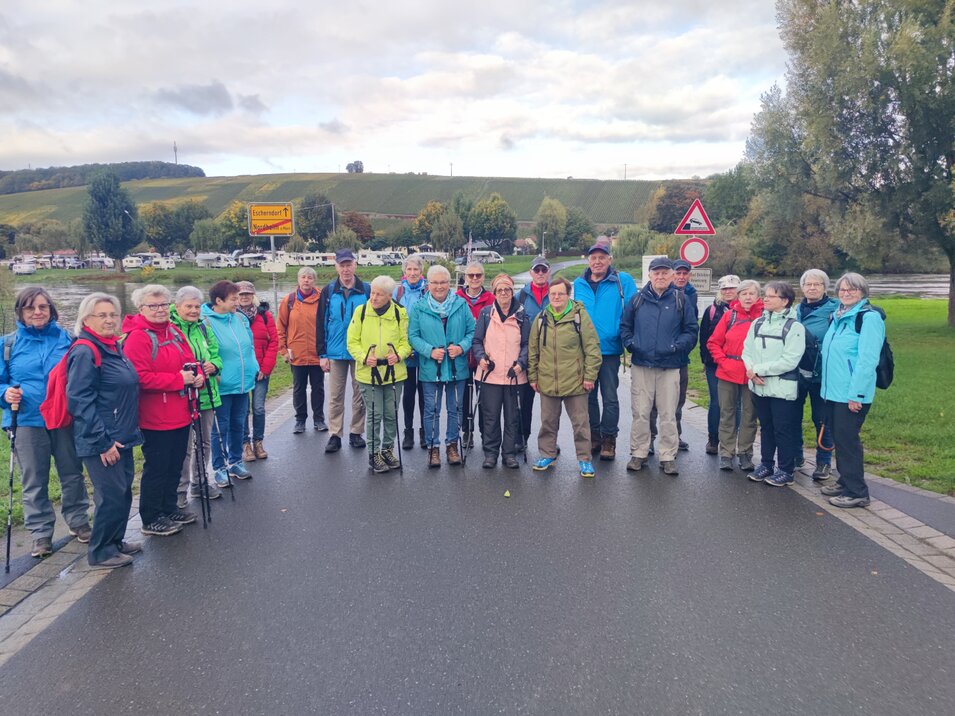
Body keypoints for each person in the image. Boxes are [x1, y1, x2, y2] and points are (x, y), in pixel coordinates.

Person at [0, 288, 91, 559]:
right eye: (30, 308)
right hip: (27, 420)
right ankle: (41, 534)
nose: (37, 312)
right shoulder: (7, 345)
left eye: (42, 307)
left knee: (72, 473)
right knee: (34, 479)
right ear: (20, 312)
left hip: (63, 418)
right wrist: (4, 393)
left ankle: (78, 522)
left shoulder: (68, 339)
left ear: (52, 310)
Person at [67, 293, 143, 569]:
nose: (110, 319)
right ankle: (100, 552)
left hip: (121, 435)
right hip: (101, 439)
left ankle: (115, 541)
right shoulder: (86, 350)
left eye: (113, 314)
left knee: (122, 492)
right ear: (86, 319)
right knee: (110, 495)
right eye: (102, 315)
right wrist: (102, 442)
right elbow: (79, 400)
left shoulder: (112, 346)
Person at [122, 285, 203, 536]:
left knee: (175, 463)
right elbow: (140, 378)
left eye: (163, 305)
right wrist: (180, 380)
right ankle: (151, 516)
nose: (159, 310)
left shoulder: (174, 331)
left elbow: (190, 361)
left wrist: (198, 375)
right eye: (153, 306)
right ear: (141, 309)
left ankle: (169, 507)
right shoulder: (138, 337)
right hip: (155, 416)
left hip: (180, 411)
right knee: (157, 467)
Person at [620, 257, 698, 476]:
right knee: (641, 412)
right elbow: (625, 327)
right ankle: (639, 453)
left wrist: (676, 347)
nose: (661, 277)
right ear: (650, 275)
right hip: (642, 364)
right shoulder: (636, 301)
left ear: (672, 276)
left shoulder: (681, 300)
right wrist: (631, 344)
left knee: (668, 413)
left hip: (670, 366)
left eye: (665, 273)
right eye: (657, 273)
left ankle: (667, 456)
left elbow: (691, 331)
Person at [819, 272, 885, 508]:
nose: (846, 293)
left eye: (852, 290)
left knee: (848, 442)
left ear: (862, 292)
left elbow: (867, 361)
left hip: (851, 395)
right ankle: (845, 480)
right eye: (843, 290)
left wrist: (856, 394)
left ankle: (857, 491)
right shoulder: (838, 316)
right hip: (833, 392)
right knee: (839, 438)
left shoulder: (868, 319)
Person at [527, 276, 602, 478]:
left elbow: (593, 348)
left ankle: (584, 460)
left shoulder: (579, 317)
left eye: (561, 293)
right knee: (548, 423)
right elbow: (533, 350)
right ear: (548, 296)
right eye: (553, 294)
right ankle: (547, 454)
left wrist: (590, 376)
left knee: (580, 424)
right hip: (547, 380)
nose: (557, 297)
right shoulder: (541, 319)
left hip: (575, 381)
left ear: (568, 295)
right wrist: (533, 376)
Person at [572, 241, 637, 461]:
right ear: (588, 260)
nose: (597, 262)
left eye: (602, 257)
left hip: (609, 350)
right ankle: (595, 436)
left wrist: (624, 335)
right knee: (588, 396)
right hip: (584, 351)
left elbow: (632, 311)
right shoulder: (579, 284)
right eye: (594, 258)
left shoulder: (622, 281)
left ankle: (610, 439)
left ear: (610, 260)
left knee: (609, 397)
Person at [408, 265, 475, 468]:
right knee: (431, 409)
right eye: (435, 282)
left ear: (450, 283)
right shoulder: (419, 308)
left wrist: (462, 347)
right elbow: (412, 336)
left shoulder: (461, 305)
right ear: (428, 284)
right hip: (431, 367)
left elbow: (472, 331)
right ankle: (433, 448)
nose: (439, 286)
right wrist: (429, 350)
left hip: (457, 367)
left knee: (455, 408)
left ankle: (452, 445)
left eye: (443, 282)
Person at [742, 281, 806, 487]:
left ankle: (786, 469)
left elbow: (790, 360)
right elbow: (747, 350)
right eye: (766, 295)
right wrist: (751, 371)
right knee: (767, 427)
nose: (765, 299)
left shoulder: (794, 327)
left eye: (771, 296)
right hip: (759, 386)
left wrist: (759, 370)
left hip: (781, 388)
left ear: (785, 301)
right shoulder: (758, 323)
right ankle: (766, 464)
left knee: (783, 429)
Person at [346, 276, 412, 472]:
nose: (374, 297)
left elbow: (406, 342)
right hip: (369, 373)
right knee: (375, 415)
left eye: (379, 294)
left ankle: (387, 450)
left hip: (394, 373)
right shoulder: (361, 312)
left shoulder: (400, 313)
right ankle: (373, 453)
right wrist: (364, 357)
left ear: (389, 296)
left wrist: (399, 355)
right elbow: (352, 342)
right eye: (372, 293)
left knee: (391, 415)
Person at [201, 280, 259, 485]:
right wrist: (215, 373)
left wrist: (254, 367)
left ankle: (235, 462)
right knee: (220, 428)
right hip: (222, 385)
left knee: (239, 423)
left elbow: (249, 345)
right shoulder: (205, 322)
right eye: (233, 299)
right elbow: (206, 352)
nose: (237, 303)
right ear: (219, 300)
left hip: (243, 382)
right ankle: (219, 467)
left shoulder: (240, 318)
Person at [170, 286, 223, 504]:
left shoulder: (203, 327)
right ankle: (179, 491)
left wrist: (214, 366)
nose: (193, 311)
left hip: (207, 393)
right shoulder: (171, 329)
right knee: (184, 446)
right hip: (182, 396)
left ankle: (200, 483)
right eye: (188, 306)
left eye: (196, 306)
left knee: (204, 442)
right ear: (177, 306)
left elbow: (216, 353)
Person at [472, 274, 530, 469]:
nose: (504, 293)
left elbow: (527, 344)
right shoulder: (486, 314)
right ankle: (490, 453)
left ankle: (509, 454)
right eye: (499, 290)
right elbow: (477, 341)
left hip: (515, 375)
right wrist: (481, 358)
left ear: (512, 292)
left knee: (512, 417)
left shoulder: (523, 315)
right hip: (490, 376)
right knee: (491, 416)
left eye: (507, 289)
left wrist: (521, 363)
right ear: (494, 293)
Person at [706, 279, 763, 472]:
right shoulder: (730, 316)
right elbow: (713, 342)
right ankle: (726, 453)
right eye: (744, 293)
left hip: (752, 374)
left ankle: (745, 453)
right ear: (738, 296)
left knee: (749, 415)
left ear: (758, 296)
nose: (748, 297)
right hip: (728, 370)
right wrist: (723, 361)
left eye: (751, 293)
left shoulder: (764, 317)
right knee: (727, 414)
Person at [316, 250, 370, 453]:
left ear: (355, 265)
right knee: (335, 396)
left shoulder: (366, 289)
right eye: (342, 265)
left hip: (360, 351)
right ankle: (335, 434)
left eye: (349, 264)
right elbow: (320, 323)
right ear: (336, 267)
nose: (346, 269)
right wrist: (322, 354)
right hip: (335, 351)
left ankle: (356, 432)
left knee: (360, 394)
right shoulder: (329, 291)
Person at [649, 258, 699, 452]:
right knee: (653, 402)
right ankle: (651, 438)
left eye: (684, 273)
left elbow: (691, 328)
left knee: (677, 400)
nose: (680, 276)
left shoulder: (690, 295)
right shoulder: (649, 296)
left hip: (679, 358)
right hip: (655, 358)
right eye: (677, 273)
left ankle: (674, 436)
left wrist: (681, 347)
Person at [795, 269, 838, 480]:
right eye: (808, 284)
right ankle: (796, 455)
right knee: (793, 415)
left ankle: (824, 463)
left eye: (817, 284)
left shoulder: (835, 309)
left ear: (825, 287)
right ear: (802, 287)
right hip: (796, 371)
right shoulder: (795, 310)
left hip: (822, 373)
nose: (812, 288)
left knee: (822, 419)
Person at [278, 267, 326, 435]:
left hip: (317, 352)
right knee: (299, 388)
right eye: (303, 277)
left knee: (318, 387)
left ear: (314, 281)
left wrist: (326, 352)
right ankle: (300, 420)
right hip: (296, 353)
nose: (307, 280)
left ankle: (319, 418)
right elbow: (281, 326)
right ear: (298, 280)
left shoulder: (322, 299)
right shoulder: (289, 301)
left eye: (310, 278)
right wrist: (283, 349)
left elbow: (328, 324)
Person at [699, 275, 741, 454]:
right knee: (716, 402)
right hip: (714, 364)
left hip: (738, 364)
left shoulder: (746, 310)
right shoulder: (712, 310)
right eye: (724, 289)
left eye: (732, 288)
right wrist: (707, 361)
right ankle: (713, 438)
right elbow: (704, 339)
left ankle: (731, 438)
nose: (728, 291)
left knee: (736, 403)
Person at [237, 281, 278, 462]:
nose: (244, 297)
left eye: (247, 293)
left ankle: (258, 441)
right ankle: (245, 444)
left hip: (261, 371)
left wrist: (266, 368)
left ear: (253, 295)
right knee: (243, 410)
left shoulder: (265, 316)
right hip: (242, 373)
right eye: (240, 294)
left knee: (259, 408)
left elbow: (274, 342)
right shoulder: (231, 317)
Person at [456, 261, 495, 451]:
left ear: (483, 277)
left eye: (478, 275)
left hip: (483, 357)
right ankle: (466, 431)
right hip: (463, 356)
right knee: (463, 397)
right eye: (470, 275)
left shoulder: (491, 299)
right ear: (465, 277)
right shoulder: (456, 298)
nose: (474, 279)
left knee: (484, 398)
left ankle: (484, 433)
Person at [514, 255, 550, 448]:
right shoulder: (520, 296)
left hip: (552, 358)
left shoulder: (557, 294)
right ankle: (522, 437)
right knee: (525, 402)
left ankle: (549, 441)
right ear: (531, 273)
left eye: (544, 270)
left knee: (550, 406)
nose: (540, 273)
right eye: (537, 270)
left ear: (549, 272)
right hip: (528, 357)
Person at [393, 256, 429, 450]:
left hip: (423, 351)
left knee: (424, 394)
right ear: (404, 272)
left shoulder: (428, 291)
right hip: (404, 353)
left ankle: (425, 431)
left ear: (421, 272)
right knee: (407, 395)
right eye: (409, 270)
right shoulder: (397, 292)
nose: (413, 273)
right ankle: (408, 431)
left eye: (416, 270)